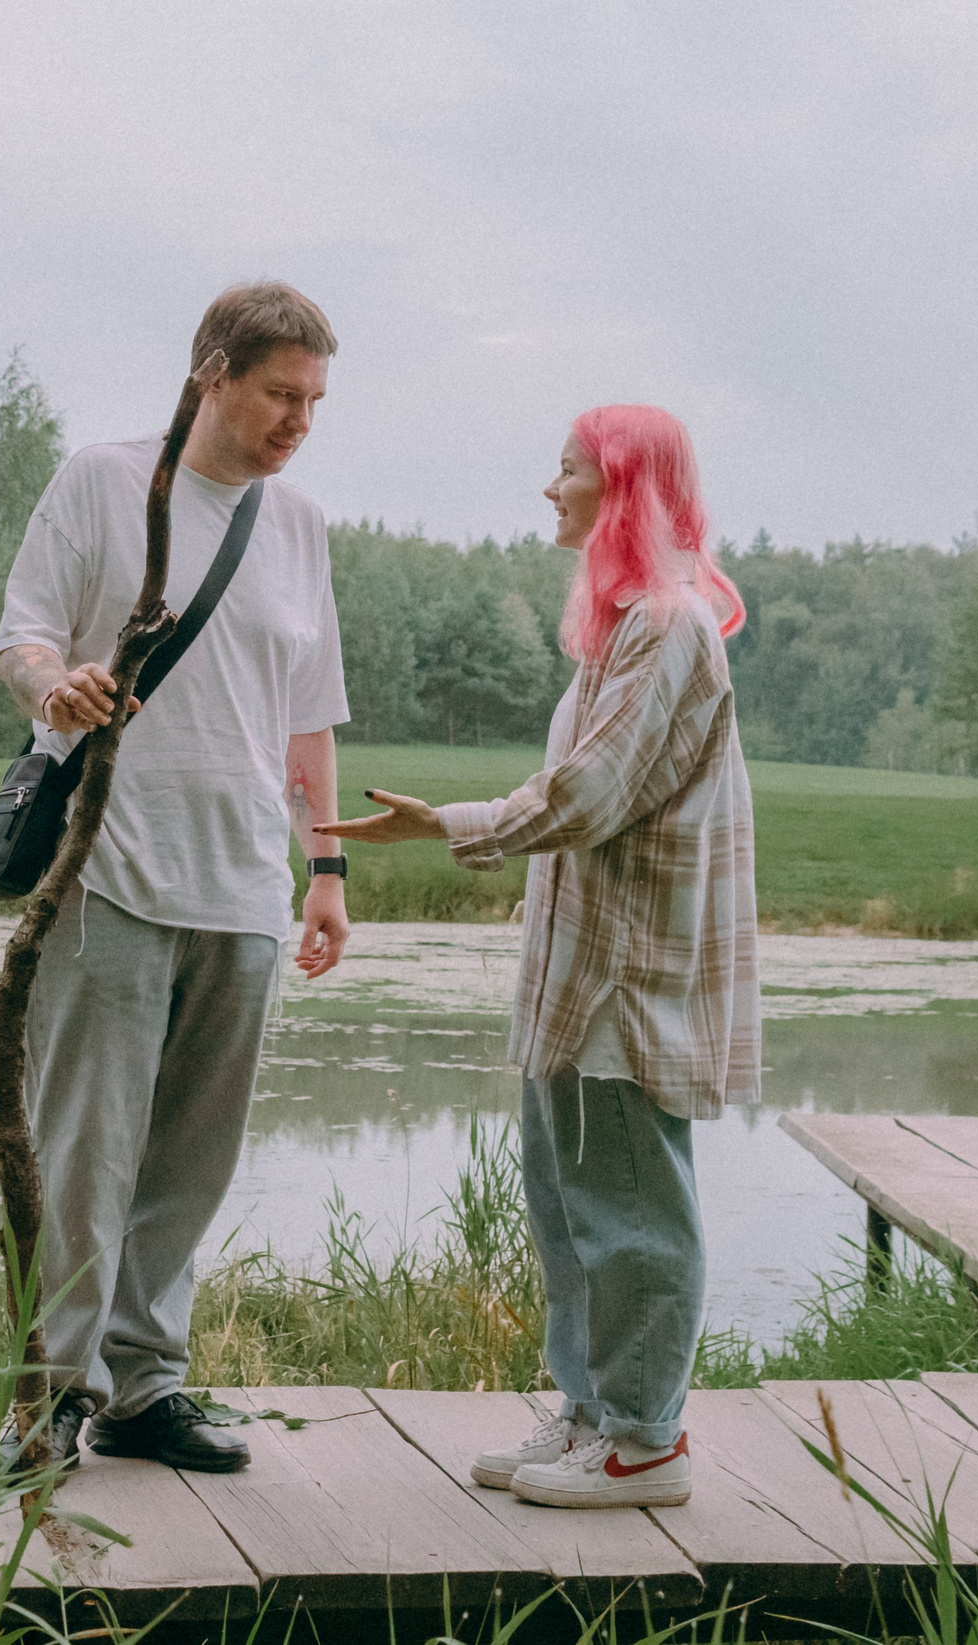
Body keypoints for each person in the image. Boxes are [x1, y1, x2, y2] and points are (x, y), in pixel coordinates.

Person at [318, 404, 757, 1510]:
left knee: (631, 1209)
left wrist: (445, 824)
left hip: (629, 978)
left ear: (620, 489)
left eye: (566, 470)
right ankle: (593, 1413)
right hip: (578, 975)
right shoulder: (619, 631)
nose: (548, 488)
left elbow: (591, 795)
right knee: (566, 1202)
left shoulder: (668, 626)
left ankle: (647, 1439)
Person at [0, 282, 352, 1475]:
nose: (298, 419)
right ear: (211, 372)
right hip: (112, 867)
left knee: (191, 1161)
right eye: (277, 393)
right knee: (84, 1150)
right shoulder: (105, 480)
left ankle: (145, 1390)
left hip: (242, 884)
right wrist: (59, 685)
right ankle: (49, 1396)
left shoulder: (295, 526)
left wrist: (326, 865)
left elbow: (308, 720)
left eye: (312, 400)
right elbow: (20, 634)